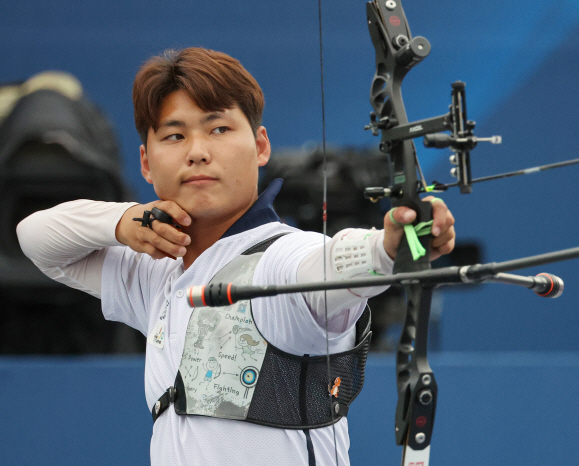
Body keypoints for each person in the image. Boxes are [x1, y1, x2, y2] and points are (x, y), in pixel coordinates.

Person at [16, 47, 455, 466]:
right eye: (175, 135)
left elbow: (331, 264)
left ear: (260, 146)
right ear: (146, 164)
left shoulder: (282, 255)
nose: (198, 151)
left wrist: (388, 247)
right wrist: (125, 220)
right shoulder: (154, 273)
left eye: (219, 129)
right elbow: (35, 237)